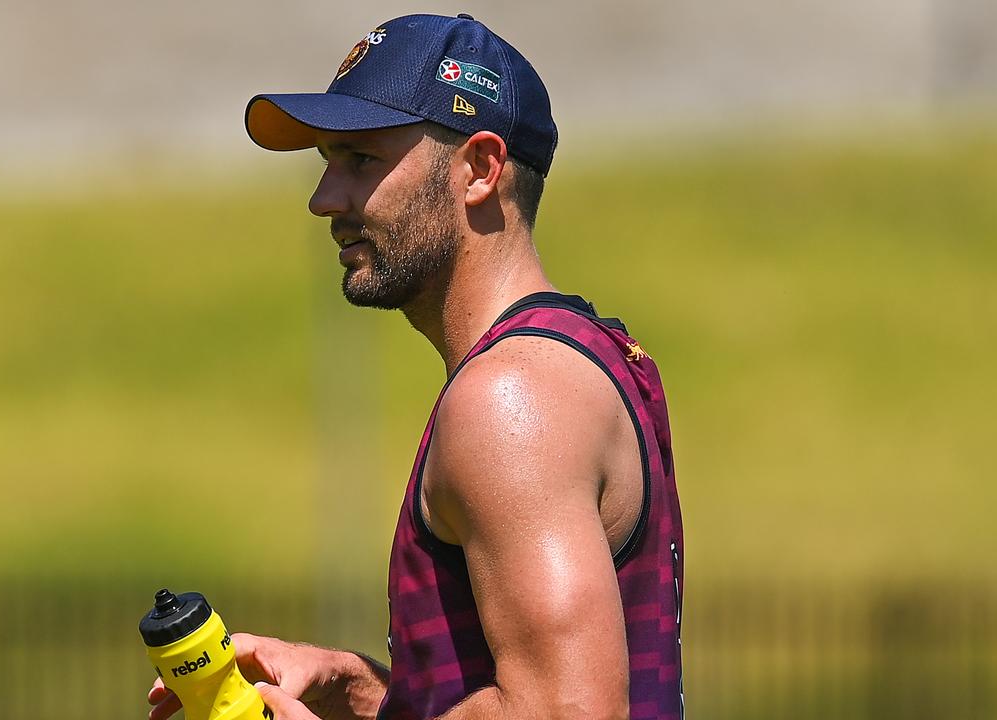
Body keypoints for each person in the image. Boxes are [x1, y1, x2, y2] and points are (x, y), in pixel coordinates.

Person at [148, 13, 685, 720]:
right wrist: (369, 694)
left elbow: (568, 713)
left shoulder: (510, 400)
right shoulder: (577, 356)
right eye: (326, 162)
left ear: (480, 170)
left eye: (361, 160)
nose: (323, 199)